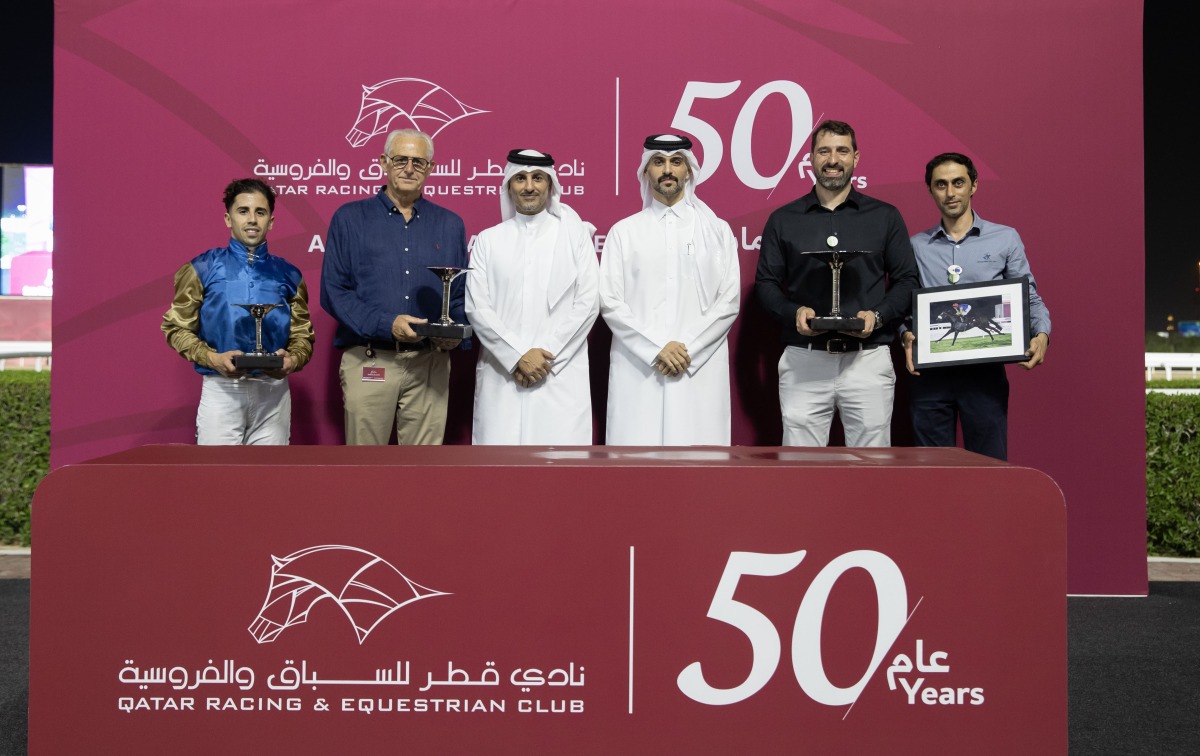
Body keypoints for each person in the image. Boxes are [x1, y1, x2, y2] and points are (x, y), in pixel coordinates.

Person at [754, 119, 919, 447]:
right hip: (805, 359)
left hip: (868, 359)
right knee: (801, 471)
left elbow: (906, 281)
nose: (833, 159)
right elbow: (766, 284)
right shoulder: (783, 220)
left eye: (842, 151)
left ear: (856, 158)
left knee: (872, 470)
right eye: (824, 151)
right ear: (811, 159)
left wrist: (878, 316)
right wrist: (794, 313)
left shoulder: (884, 216)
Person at [320, 128, 469, 445]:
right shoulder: (349, 218)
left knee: (423, 473)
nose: (409, 168)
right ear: (383, 163)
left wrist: (456, 335)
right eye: (401, 159)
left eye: (419, 161)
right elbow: (334, 291)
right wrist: (387, 324)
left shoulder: (450, 224)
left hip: (431, 364)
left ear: (430, 168)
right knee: (365, 469)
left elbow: (458, 295)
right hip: (371, 359)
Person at [902, 152, 1051, 460]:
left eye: (958, 183)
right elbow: (904, 306)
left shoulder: (1005, 239)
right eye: (940, 185)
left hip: (984, 374)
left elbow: (1029, 296)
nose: (950, 192)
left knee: (990, 468)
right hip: (930, 377)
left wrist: (1042, 334)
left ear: (974, 186)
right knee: (930, 471)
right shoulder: (915, 246)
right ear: (930, 190)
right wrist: (905, 335)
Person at [599, 134, 741, 445]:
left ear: (689, 170)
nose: (667, 170)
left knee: (699, 471)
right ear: (645, 171)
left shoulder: (717, 231)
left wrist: (687, 348)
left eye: (676, 162)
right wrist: (656, 348)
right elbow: (610, 301)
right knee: (636, 469)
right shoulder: (624, 232)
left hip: (698, 368)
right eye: (658, 162)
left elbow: (728, 301)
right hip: (639, 370)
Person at [162, 178, 314, 445]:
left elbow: (303, 336)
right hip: (222, 390)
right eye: (243, 211)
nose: (252, 219)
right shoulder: (201, 268)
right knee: (217, 481)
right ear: (228, 219)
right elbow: (176, 328)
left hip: (274, 392)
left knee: (270, 480)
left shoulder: (289, 274)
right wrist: (211, 358)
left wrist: (292, 360)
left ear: (272, 221)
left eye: (260, 212)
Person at [465, 149, 600, 444]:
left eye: (538, 178)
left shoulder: (574, 236)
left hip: (559, 373)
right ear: (508, 186)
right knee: (498, 474)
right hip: (503, 375)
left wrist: (544, 356)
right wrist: (516, 357)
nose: (529, 186)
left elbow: (588, 303)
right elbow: (477, 307)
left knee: (559, 476)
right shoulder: (489, 239)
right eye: (520, 178)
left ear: (550, 185)